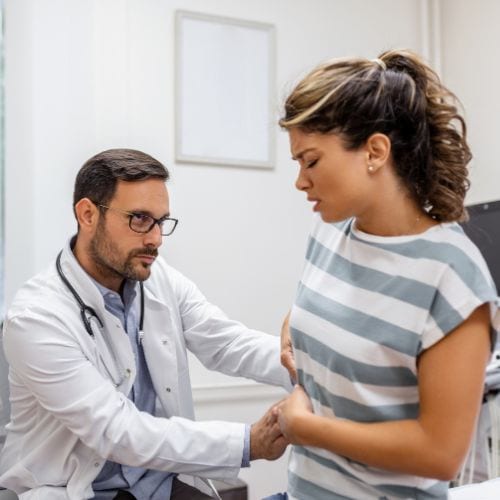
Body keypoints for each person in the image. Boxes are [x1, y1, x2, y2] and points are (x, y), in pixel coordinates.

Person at [0, 149, 291, 499]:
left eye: (161, 221)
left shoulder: (159, 280)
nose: (155, 239)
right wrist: (248, 442)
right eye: (139, 219)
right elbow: (116, 431)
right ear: (87, 214)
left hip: (157, 484)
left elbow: (227, 343)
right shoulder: (37, 317)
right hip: (76, 490)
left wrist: (307, 365)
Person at [274, 49, 500, 499]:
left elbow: (439, 452)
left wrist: (306, 426)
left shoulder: (451, 276)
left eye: (311, 161)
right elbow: (327, 310)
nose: (300, 181)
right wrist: (293, 335)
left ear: (375, 151)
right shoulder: (329, 234)